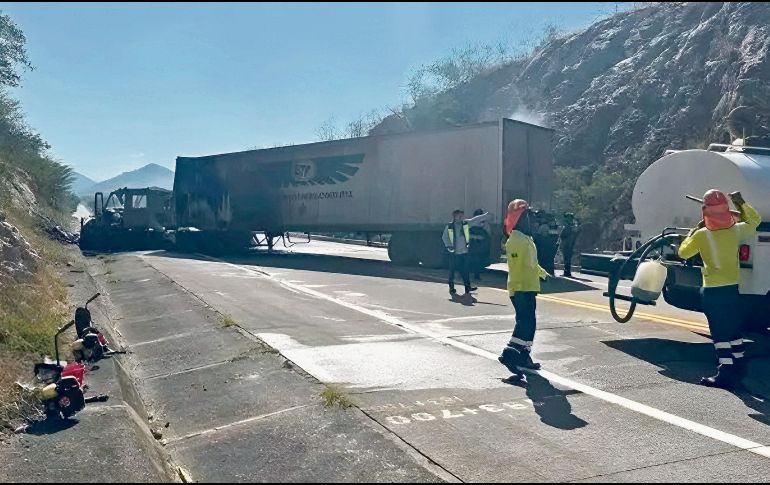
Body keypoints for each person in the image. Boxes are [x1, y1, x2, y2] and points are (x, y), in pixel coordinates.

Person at [678, 190, 761, 389]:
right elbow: (755, 220)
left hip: (713, 291)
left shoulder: (701, 235)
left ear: (705, 212)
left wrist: (692, 231)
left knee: (720, 333)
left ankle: (726, 373)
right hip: (733, 289)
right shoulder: (736, 231)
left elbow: (683, 252)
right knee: (733, 329)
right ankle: (739, 364)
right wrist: (740, 202)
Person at [498, 199, 550, 375]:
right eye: (527, 215)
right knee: (525, 322)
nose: (531, 219)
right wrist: (524, 285)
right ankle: (510, 352)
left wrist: (543, 275)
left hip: (528, 287)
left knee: (530, 323)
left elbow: (532, 264)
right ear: (519, 218)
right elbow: (521, 266)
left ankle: (524, 355)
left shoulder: (525, 238)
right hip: (521, 288)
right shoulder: (516, 240)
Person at [442, 208, 490, 296]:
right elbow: (445, 237)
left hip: (464, 252)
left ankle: (467, 288)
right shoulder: (450, 226)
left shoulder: (465, 224)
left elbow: (474, 220)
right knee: (452, 271)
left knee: (465, 270)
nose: (460, 217)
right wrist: (449, 246)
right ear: (454, 217)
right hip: (454, 253)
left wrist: (484, 216)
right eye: (458, 216)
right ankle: (451, 287)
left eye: (461, 216)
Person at [468, 208, 491, 281]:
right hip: (475, 246)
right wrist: (477, 237)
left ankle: (476, 275)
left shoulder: (484, 224)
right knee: (475, 260)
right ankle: (476, 275)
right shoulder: (472, 223)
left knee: (477, 261)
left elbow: (488, 234)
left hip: (478, 246)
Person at [560, 213, 580, 278]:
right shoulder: (571, 226)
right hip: (568, 244)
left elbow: (563, 235)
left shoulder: (570, 227)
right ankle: (566, 272)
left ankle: (567, 272)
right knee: (567, 259)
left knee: (567, 259)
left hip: (568, 245)